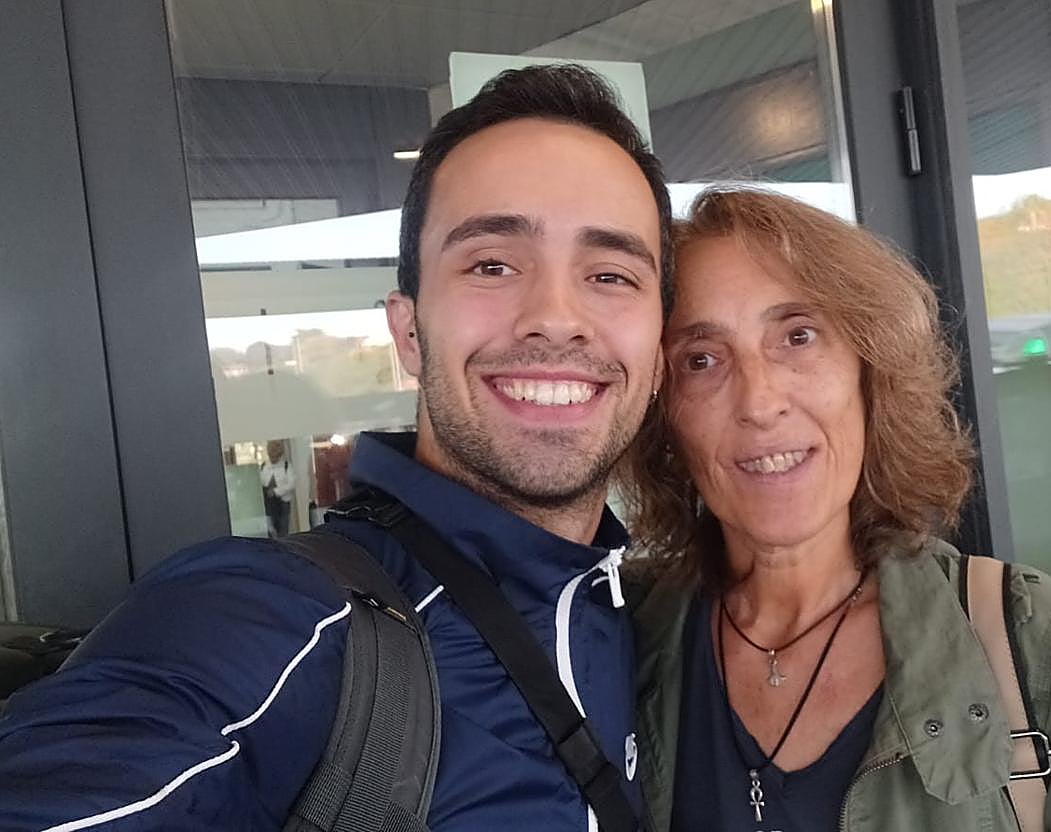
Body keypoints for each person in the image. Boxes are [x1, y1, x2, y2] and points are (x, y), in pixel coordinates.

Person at [0, 64, 670, 831]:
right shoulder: (280, 617)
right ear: (408, 332)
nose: (556, 316)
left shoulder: (650, 627)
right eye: (492, 263)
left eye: (612, 274)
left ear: (658, 348)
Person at [621, 188, 1051, 831]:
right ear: (663, 415)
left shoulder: (1035, 643)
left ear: (870, 373)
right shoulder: (627, 641)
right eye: (701, 359)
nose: (759, 400)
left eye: (798, 336)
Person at [259, 438, 295, 537]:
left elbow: (291, 484)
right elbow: (260, 482)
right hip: (268, 504)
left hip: (283, 502)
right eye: (271, 456)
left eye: (275, 457)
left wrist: (276, 491)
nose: (273, 459)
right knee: (270, 528)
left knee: (283, 528)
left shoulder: (286, 466)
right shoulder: (264, 466)